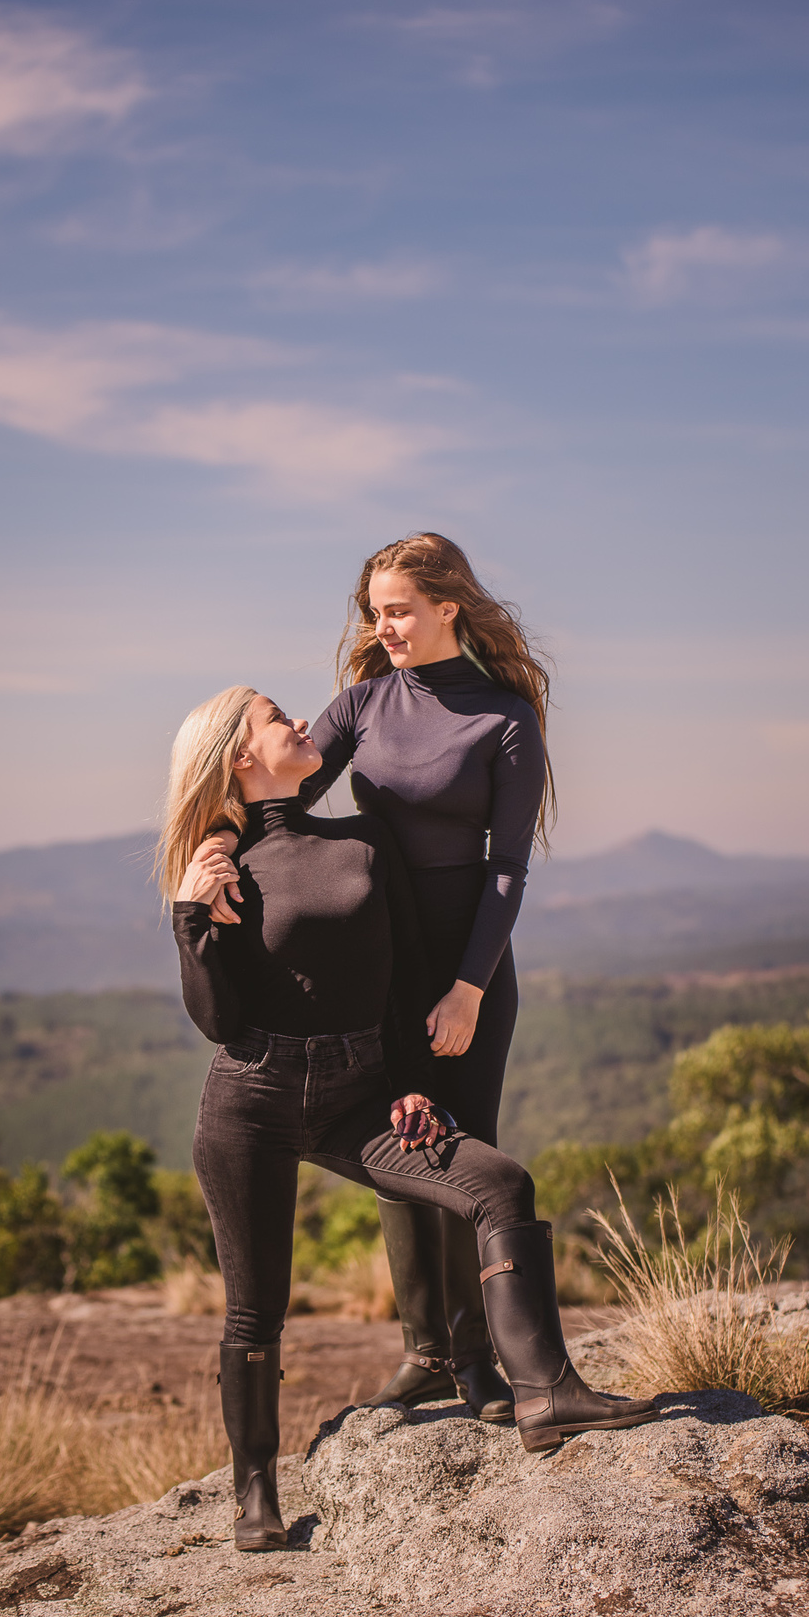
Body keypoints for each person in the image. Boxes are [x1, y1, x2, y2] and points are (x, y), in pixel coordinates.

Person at [158, 684, 655, 1553]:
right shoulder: (222, 868)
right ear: (241, 759)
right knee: (255, 1309)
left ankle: (542, 1390)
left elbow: (407, 975)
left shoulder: (362, 839)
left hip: (364, 1096)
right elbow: (219, 1021)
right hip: (254, 1098)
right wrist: (190, 917)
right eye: (278, 720)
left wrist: (415, 1081)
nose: (301, 722)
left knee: (499, 1183)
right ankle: (256, 1495)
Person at [201, 534, 553, 1424]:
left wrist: (469, 987)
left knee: (461, 1146)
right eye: (375, 612)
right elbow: (274, 787)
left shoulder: (505, 718)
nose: (383, 626)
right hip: (380, 958)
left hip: (468, 958)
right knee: (402, 1146)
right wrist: (213, 845)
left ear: (449, 607)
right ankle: (424, 1351)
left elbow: (508, 867)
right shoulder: (363, 702)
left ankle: (477, 1359)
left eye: (398, 609)